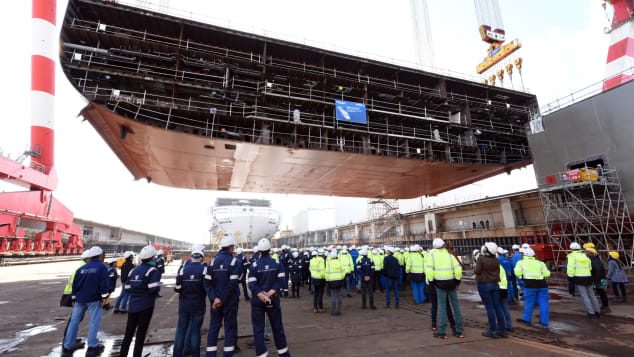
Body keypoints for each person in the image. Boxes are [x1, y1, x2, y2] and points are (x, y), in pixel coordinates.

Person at [62, 246, 109, 357]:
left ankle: (68, 346)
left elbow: (75, 285)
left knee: (74, 322)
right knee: (94, 322)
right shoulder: (101, 268)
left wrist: (73, 298)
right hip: (94, 299)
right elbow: (104, 283)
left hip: (79, 300)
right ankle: (92, 347)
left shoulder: (81, 269)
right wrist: (104, 298)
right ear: (100, 255)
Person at [248, 238, 291, 357]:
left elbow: (251, 283)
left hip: (258, 301)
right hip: (273, 299)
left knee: (258, 329)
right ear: (270, 250)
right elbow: (282, 280)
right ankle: (283, 354)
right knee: (277, 327)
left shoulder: (254, 265)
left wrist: (261, 294)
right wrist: (270, 293)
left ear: (259, 251)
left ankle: (262, 354)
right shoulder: (277, 263)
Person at [120, 245, 161, 357]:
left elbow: (127, 288)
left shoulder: (133, 270)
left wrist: (137, 287)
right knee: (140, 334)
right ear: (153, 257)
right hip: (146, 306)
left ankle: (122, 354)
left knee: (128, 334)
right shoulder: (153, 271)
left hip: (133, 305)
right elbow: (154, 289)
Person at [204, 236, 241, 356]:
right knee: (229, 329)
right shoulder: (234, 262)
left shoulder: (212, 262)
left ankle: (210, 354)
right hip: (229, 302)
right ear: (230, 248)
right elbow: (232, 284)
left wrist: (214, 298)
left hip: (215, 303)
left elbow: (207, 282)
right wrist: (222, 299)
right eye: (233, 247)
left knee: (214, 328)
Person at [425, 238, 464, 340]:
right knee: (456, 306)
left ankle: (442, 332)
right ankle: (458, 330)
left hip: (440, 284)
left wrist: (432, 282)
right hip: (451, 283)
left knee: (442, 307)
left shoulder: (432, 257)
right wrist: (457, 281)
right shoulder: (450, 256)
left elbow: (429, 272)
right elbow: (458, 270)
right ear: (443, 246)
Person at [173, 245, 207, 357]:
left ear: (191, 257)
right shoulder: (204, 269)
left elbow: (177, 288)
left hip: (184, 305)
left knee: (180, 331)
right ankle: (195, 354)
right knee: (195, 332)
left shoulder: (183, 269)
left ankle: (177, 354)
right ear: (201, 258)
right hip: (198, 305)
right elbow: (206, 287)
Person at [60, 248, 93, 354]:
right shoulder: (83, 268)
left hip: (72, 295)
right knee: (74, 320)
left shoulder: (80, 266)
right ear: (87, 259)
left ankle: (69, 339)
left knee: (74, 320)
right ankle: (68, 341)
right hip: (75, 296)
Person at [475, 242, 506, 339]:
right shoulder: (496, 260)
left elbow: (477, 271)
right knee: (498, 307)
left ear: (487, 249)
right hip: (495, 285)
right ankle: (502, 330)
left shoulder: (481, 259)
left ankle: (492, 331)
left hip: (484, 285)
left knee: (490, 308)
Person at [515, 248, 550, 327]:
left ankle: (527, 319)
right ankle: (544, 322)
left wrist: (522, 277)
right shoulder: (540, 263)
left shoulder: (521, 263)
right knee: (543, 303)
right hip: (542, 284)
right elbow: (547, 274)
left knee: (529, 302)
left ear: (524, 255)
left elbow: (517, 273)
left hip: (529, 285)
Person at [567, 242, 600, 318]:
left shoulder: (572, 257)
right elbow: (590, 268)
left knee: (585, 296)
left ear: (571, 249)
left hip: (579, 279)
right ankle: (597, 312)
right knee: (592, 295)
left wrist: (570, 277)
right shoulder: (585, 256)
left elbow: (570, 269)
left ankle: (591, 313)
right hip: (588, 277)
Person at [584, 244, 610, 313]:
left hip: (599, 280)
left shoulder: (594, 261)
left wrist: (595, 282)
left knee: (602, 293)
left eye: (587, 253)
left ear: (591, 254)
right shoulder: (596, 259)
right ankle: (605, 305)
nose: (586, 254)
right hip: (601, 279)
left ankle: (606, 306)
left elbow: (597, 273)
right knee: (602, 293)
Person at [325, 250, 345, 316]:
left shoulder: (328, 264)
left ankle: (333, 311)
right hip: (339, 281)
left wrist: (327, 280)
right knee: (339, 296)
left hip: (331, 281)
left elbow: (326, 273)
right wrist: (341, 278)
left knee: (333, 297)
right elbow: (343, 272)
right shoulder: (340, 263)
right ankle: (339, 311)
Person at [498, 262, 513, 333]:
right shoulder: (501, 267)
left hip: (497, 289)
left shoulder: (493, 267)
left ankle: (500, 326)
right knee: (505, 308)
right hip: (504, 288)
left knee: (498, 309)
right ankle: (509, 326)